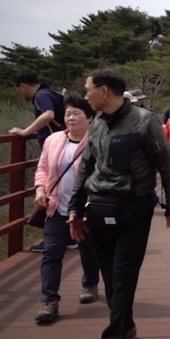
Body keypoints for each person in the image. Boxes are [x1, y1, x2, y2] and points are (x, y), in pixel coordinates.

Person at [68, 69, 170, 339]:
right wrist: (75, 209)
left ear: (104, 91)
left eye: (88, 89)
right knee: (109, 276)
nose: (86, 94)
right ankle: (127, 327)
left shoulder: (144, 122)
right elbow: (85, 169)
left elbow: (167, 165)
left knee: (122, 275)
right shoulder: (97, 125)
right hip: (98, 208)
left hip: (134, 210)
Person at [32, 96, 102, 323]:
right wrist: (40, 190)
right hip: (56, 207)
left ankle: (90, 283)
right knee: (51, 254)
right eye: (68, 114)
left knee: (88, 250)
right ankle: (49, 300)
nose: (70, 118)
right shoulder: (53, 140)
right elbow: (42, 168)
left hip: (87, 209)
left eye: (76, 114)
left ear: (90, 118)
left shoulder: (98, 142)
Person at [9, 69, 66, 147]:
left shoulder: (41, 95)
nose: (17, 92)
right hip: (61, 143)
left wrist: (25, 132)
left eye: (16, 88)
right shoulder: (48, 93)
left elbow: (48, 115)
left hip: (55, 147)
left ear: (23, 86)